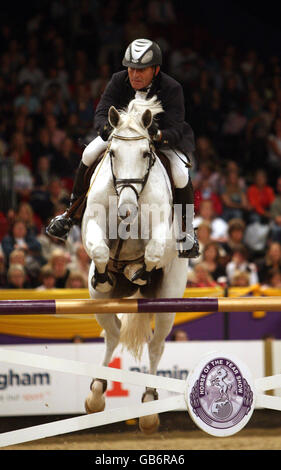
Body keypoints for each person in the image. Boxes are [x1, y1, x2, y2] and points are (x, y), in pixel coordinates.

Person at [46, 39, 199, 258]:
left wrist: (157, 135)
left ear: (155, 69)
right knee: (89, 153)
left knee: (180, 173)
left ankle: (186, 233)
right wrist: (107, 129)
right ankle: (70, 214)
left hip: (160, 140)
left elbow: (176, 127)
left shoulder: (172, 88)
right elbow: (100, 113)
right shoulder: (118, 80)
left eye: (141, 70)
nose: (134, 75)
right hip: (122, 136)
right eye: (131, 68)